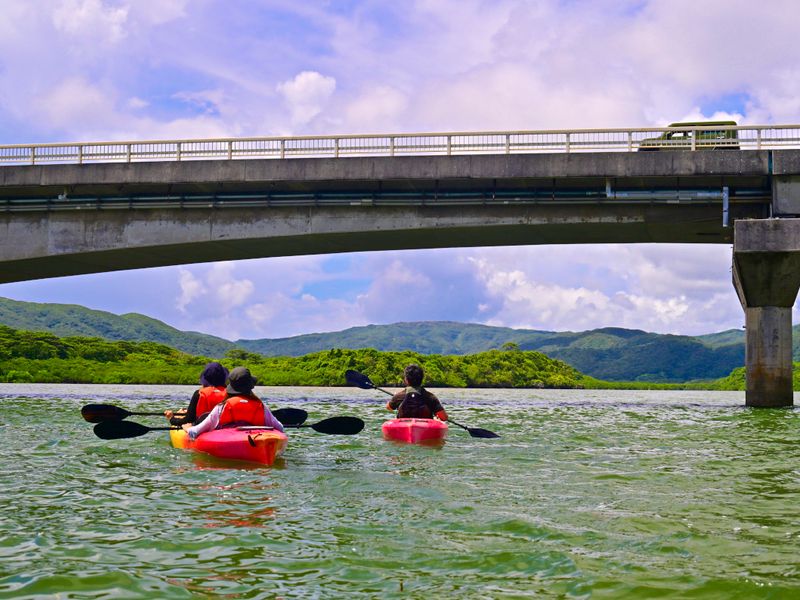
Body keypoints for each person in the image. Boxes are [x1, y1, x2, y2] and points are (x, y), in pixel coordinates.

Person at [183, 366, 284, 440]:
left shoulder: (222, 407)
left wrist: (187, 428)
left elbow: (195, 432)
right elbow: (280, 427)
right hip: (257, 439)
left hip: (228, 442)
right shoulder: (260, 406)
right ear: (250, 386)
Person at [165, 362, 228, 426]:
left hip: (203, 428)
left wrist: (172, 418)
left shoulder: (199, 394)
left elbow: (189, 420)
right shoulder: (229, 393)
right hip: (224, 428)